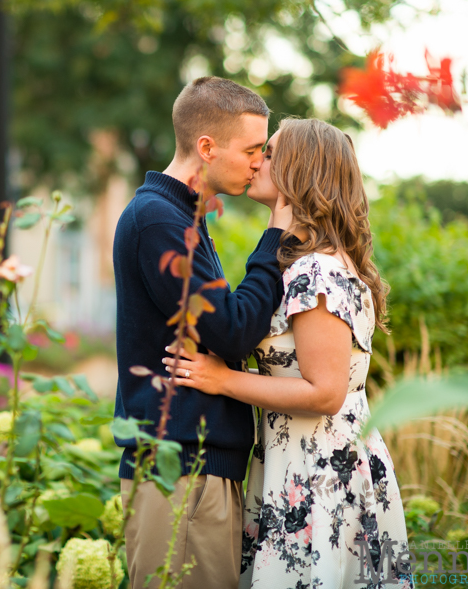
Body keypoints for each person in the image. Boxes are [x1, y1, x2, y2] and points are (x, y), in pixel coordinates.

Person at [164, 118, 414, 588]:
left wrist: (222, 380)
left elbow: (325, 393)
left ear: (301, 170)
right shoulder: (307, 262)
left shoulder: (315, 272)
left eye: (271, 152)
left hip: (320, 474)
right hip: (296, 462)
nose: (258, 160)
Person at [112, 76, 293, 589]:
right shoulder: (158, 221)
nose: (260, 163)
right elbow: (232, 330)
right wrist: (275, 240)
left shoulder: (179, 217)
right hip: (181, 472)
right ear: (207, 147)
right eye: (252, 150)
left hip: (195, 470)